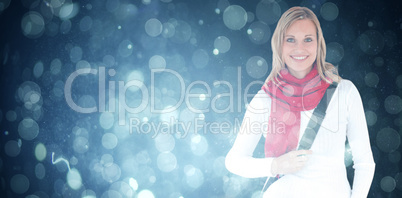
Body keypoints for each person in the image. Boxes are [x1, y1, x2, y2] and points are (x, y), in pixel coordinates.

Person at [225, 6, 375, 198]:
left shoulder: (344, 91)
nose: (299, 48)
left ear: (318, 44)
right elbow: (233, 161)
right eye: (290, 40)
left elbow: (364, 162)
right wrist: (275, 165)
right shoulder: (266, 98)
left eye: (308, 39)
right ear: (280, 44)